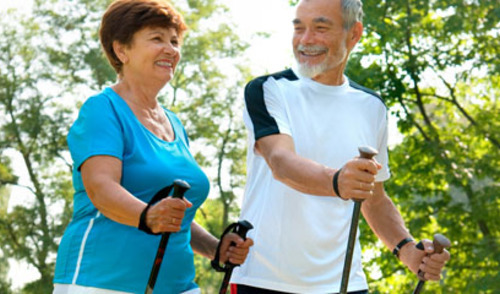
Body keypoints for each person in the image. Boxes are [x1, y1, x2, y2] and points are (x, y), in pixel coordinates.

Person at [230, 0, 450, 293]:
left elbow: (374, 198)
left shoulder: (372, 107)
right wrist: (338, 181)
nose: (306, 40)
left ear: (354, 34)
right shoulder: (268, 89)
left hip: (346, 284)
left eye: (320, 28)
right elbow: (281, 162)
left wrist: (407, 249)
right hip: (262, 281)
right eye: (299, 29)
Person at [52, 0, 253, 293]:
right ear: (122, 50)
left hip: (178, 285)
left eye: (174, 41)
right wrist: (147, 216)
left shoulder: (174, 124)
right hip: (100, 282)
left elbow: (175, 216)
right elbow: (101, 189)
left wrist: (215, 249)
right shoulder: (102, 109)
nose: (171, 49)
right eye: (157, 39)